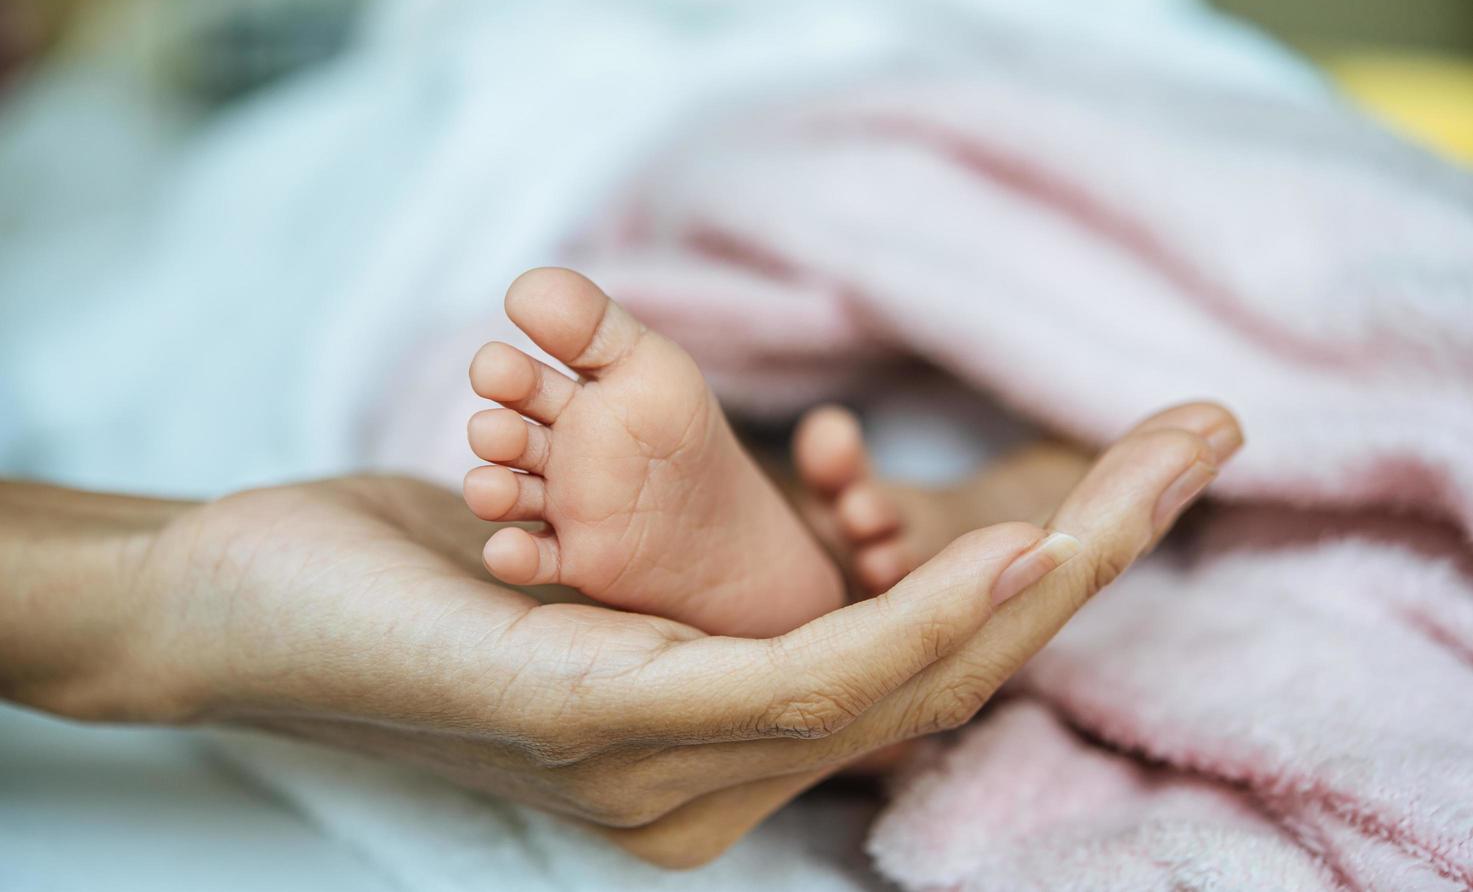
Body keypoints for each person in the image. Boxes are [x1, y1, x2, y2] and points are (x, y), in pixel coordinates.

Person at [0, 268, 1239, 868]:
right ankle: (896, 543)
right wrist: (161, 597)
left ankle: (917, 526)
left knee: (1060, 353)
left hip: (895, 353)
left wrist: (159, 592)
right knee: (1058, 421)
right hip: (858, 371)